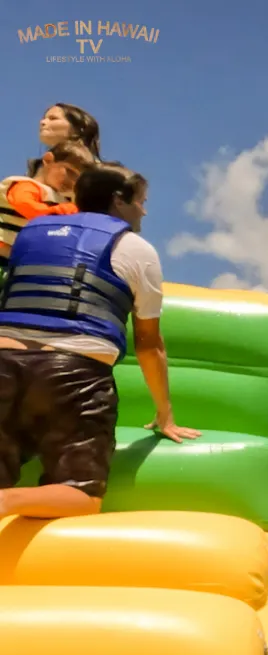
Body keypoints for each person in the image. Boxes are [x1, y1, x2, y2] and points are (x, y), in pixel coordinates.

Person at [0, 163, 199, 520]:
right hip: (72, 376)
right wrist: (164, 415)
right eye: (141, 201)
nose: (144, 210)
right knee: (82, 495)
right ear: (119, 200)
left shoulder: (30, 232)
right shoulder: (134, 248)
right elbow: (149, 343)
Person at [0, 140, 96, 260]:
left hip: (23, 257)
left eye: (78, 179)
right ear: (48, 160)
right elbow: (26, 205)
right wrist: (61, 212)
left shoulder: (62, 199)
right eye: (70, 172)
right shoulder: (26, 185)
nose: (72, 182)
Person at [30, 103, 102, 177]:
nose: (42, 122)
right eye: (44, 118)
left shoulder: (96, 171)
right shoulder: (37, 168)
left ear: (77, 129)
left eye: (53, 118)